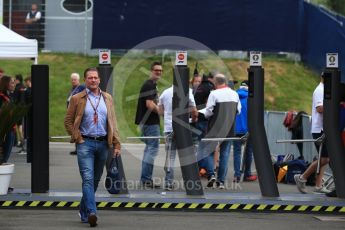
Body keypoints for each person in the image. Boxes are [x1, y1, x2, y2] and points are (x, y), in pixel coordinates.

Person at [64, 67, 121, 227]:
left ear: (99, 80)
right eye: (90, 78)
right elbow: (68, 121)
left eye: (95, 77)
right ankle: (92, 212)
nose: (93, 80)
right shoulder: (77, 98)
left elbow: (113, 122)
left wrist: (117, 143)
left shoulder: (107, 98)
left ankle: (83, 211)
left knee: (95, 180)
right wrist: (78, 138)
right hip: (85, 144)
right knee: (87, 179)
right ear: (85, 80)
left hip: (103, 143)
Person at [197, 73, 241, 189]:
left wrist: (199, 113)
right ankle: (221, 181)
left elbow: (209, 112)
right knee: (225, 154)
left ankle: (211, 174)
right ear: (225, 82)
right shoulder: (234, 94)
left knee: (207, 151)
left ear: (215, 83)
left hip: (215, 128)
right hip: (229, 128)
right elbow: (238, 111)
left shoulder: (214, 94)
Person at [294, 72, 330, 194]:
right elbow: (320, 109)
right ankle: (302, 177)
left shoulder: (326, 89)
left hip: (324, 128)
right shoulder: (320, 90)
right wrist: (335, 106)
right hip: (318, 128)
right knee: (325, 159)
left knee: (324, 158)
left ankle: (318, 185)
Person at [158, 85, 197, 190]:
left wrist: (166, 117)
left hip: (169, 128)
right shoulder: (187, 91)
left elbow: (160, 110)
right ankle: (190, 182)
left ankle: (168, 182)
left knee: (170, 156)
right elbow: (194, 110)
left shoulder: (165, 92)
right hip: (183, 128)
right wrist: (193, 120)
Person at [135, 61, 162, 188]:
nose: (158, 72)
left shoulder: (151, 85)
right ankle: (146, 179)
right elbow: (149, 104)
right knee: (152, 150)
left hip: (148, 123)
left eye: (160, 70)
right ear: (151, 71)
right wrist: (161, 112)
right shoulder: (149, 85)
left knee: (149, 150)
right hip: (150, 123)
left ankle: (145, 179)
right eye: (156, 70)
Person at [233, 80, 257, 183]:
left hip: (236, 128)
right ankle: (247, 174)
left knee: (237, 152)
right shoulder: (252, 97)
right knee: (249, 151)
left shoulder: (234, 96)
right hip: (249, 129)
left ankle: (236, 175)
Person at [193, 72, 215, 176]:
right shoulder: (210, 88)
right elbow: (209, 104)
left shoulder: (198, 88)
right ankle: (205, 168)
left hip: (198, 118)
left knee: (200, 145)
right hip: (206, 120)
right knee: (208, 146)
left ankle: (199, 167)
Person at [66, 73, 85, 155]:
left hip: (78, 113)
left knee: (78, 129)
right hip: (72, 113)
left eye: (75, 79)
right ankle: (77, 148)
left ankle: (80, 148)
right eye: (72, 79)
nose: (73, 81)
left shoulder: (81, 88)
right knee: (75, 129)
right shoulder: (72, 89)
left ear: (78, 80)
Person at [0, 76, 16, 163]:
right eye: (12, 83)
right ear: (6, 84)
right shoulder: (1, 97)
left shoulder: (8, 96)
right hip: (4, 131)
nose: (14, 85)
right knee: (3, 158)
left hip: (11, 128)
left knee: (5, 158)